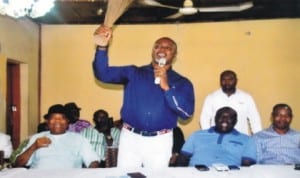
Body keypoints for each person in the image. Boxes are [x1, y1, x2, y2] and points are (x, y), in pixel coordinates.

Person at [92, 25, 195, 169]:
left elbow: (186, 113)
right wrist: (102, 48)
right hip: (130, 138)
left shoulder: (181, 82)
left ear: (175, 55)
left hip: (160, 141)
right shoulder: (134, 73)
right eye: (157, 46)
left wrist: (167, 87)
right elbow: (102, 73)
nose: (161, 50)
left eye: (168, 48)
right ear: (152, 51)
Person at [15, 104, 100, 169]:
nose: (57, 121)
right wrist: (34, 147)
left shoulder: (79, 139)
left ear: (67, 122)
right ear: (47, 122)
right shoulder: (36, 138)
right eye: (53, 118)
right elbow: (18, 164)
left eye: (62, 118)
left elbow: (93, 161)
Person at [179, 107, 256, 167]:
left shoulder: (247, 140)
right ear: (215, 119)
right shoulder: (196, 135)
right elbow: (182, 159)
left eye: (230, 118)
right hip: (197, 174)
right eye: (221, 117)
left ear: (235, 121)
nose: (224, 120)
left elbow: (247, 168)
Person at [199, 70, 262, 135]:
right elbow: (204, 119)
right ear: (220, 81)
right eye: (224, 80)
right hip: (216, 138)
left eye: (230, 79)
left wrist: (257, 137)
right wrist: (208, 136)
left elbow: (255, 119)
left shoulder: (246, 98)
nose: (227, 82)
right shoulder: (211, 97)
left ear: (236, 80)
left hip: (240, 139)